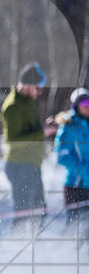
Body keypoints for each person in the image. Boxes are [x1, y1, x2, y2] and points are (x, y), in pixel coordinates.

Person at [0, 62, 56, 230]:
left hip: (32, 164)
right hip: (19, 165)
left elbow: (30, 129)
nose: (40, 91)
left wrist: (45, 126)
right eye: (38, 87)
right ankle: (16, 248)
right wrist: (43, 132)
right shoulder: (13, 106)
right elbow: (13, 140)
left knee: (40, 210)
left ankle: (36, 248)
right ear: (27, 84)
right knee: (24, 213)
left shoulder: (28, 101)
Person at [54, 88, 89, 226]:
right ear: (76, 105)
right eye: (84, 103)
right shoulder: (69, 126)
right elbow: (62, 155)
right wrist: (85, 172)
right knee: (75, 228)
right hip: (75, 187)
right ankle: (66, 248)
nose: (87, 106)